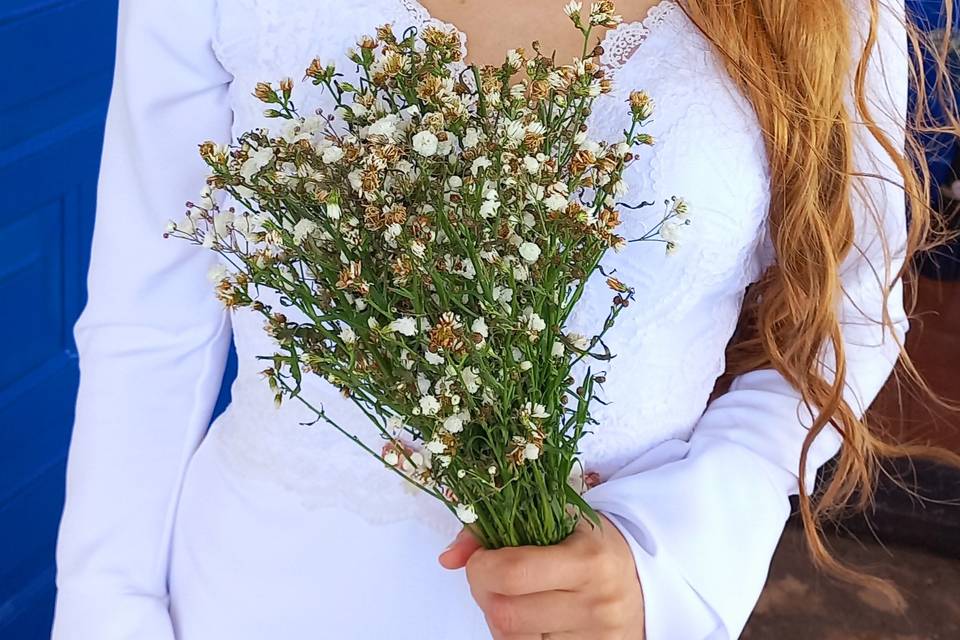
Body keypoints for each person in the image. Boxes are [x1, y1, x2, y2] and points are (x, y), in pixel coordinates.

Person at [51, 1, 949, 638]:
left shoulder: (831, 13)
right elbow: (146, 329)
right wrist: (105, 613)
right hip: (253, 594)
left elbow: (851, 309)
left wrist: (679, 555)